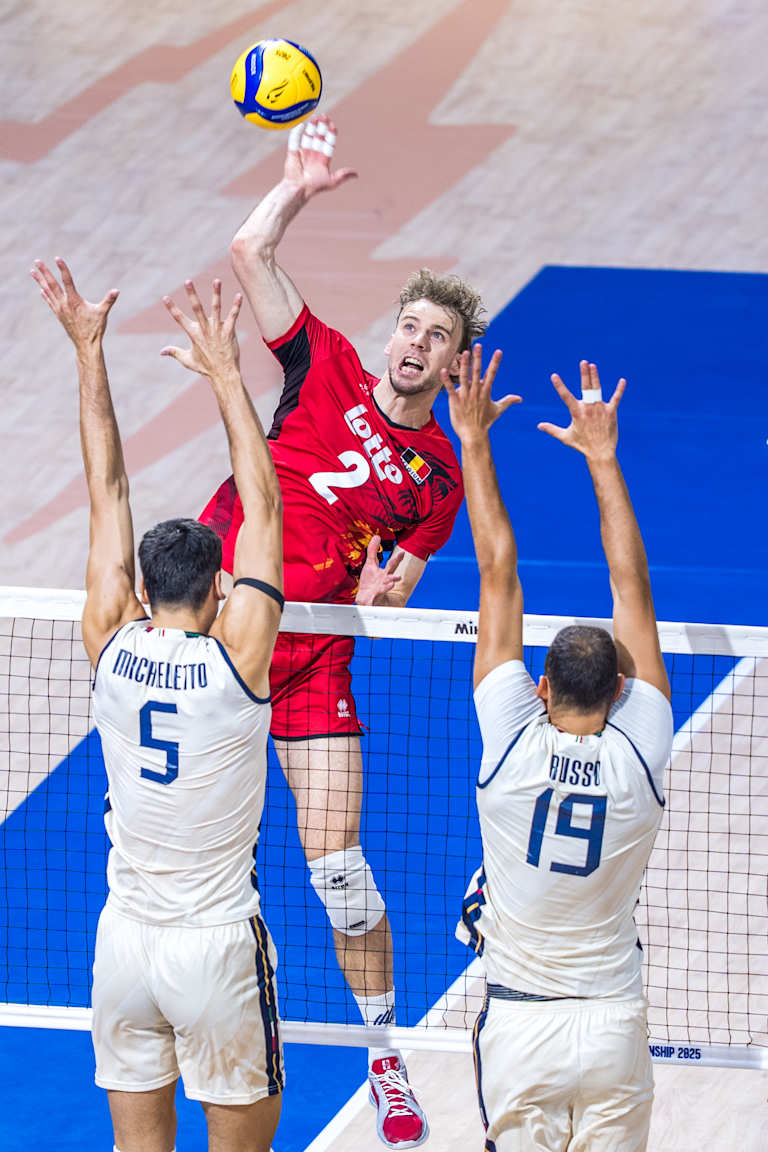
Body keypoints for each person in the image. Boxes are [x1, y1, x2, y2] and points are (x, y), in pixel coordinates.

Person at [200, 115, 490, 1149]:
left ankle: (385, 1057)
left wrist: (377, 594)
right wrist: (298, 186)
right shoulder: (317, 365)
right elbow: (249, 253)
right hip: (216, 639)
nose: (415, 343)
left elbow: (398, 596)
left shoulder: (439, 483)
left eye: (437, 338)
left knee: (344, 874)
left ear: (456, 366)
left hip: (315, 657)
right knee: (182, 857)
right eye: (409, 326)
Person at [31, 258, 284, 1152]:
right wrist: (226, 374)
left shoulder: (112, 641)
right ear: (220, 587)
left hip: (124, 944)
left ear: (140, 588)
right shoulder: (238, 660)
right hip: (213, 947)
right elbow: (265, 502)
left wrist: (87, 351)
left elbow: (108, 493)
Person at [447, 352, 673, 1152]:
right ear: (621, 690)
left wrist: (472, 438)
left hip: (521, 1026)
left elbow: (496, 572)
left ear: (539, 686)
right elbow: (632, 588)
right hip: (611, 1023)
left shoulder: (509, 742)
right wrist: (603, 459)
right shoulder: (640, 758)